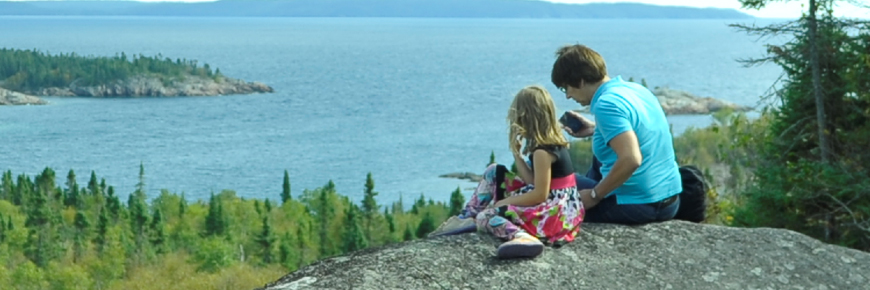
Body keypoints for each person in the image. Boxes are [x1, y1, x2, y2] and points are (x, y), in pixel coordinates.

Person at [430, 85, 584, 259]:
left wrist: (505, 202)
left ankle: (521, 237)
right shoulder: (548, 144)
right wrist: (517, 154)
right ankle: (466, 218)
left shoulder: (543, 152)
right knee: (494, 170)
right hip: (556, 203)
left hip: (553, 214)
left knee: (486, 217)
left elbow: (540, 194)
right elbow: (533, 182)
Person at [551, 44, 682, 225]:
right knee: (600, 158)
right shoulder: (636, 90)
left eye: (566, 88)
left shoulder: (606, 104)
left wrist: (594, 195)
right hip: (669, 200)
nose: (567, 96)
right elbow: (638, 133)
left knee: (551, 182)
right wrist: (596, 130)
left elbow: (631, 158)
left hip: (638, 205)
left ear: (580, 81)